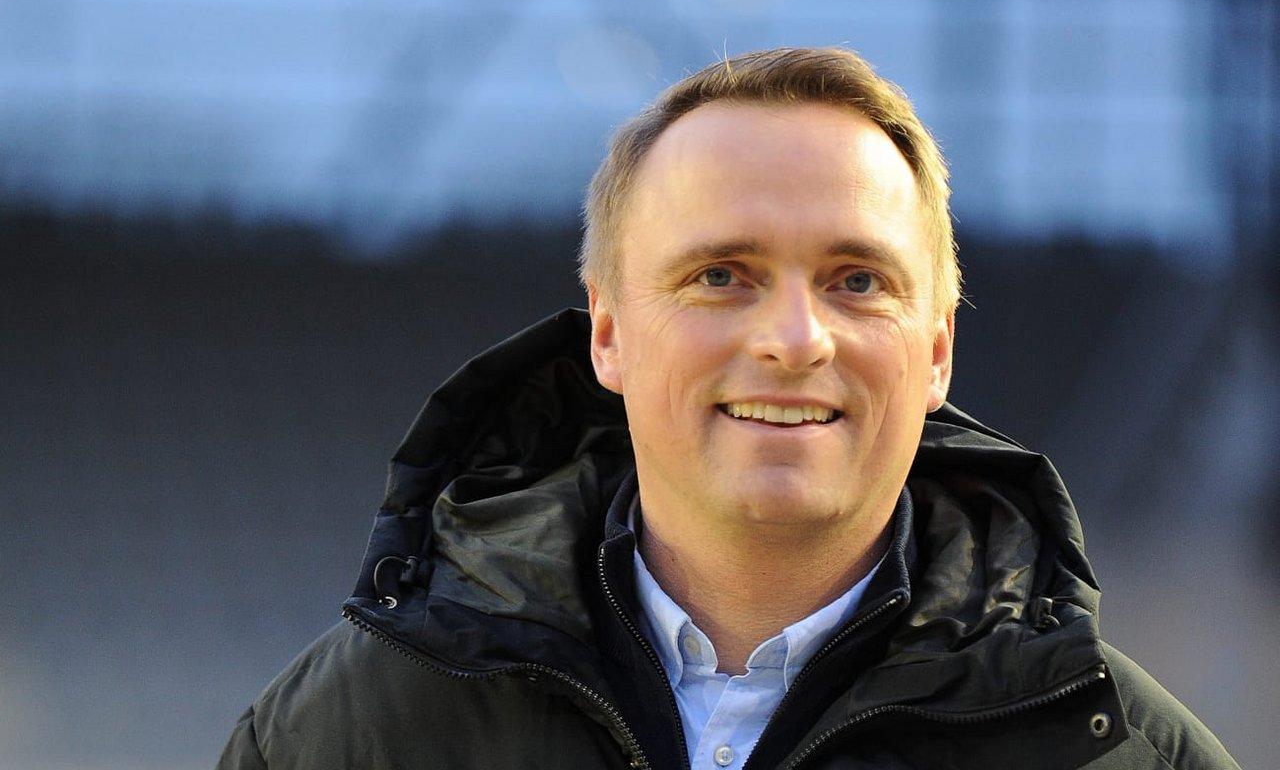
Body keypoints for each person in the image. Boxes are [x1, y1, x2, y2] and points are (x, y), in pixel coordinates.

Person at [218, 47, 1239, 769]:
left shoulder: (1129, 758)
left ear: (936, 353)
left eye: (856, 281)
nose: (794, 340)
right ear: (608, 334)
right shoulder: (346, 734)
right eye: (719, 276)